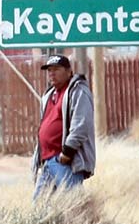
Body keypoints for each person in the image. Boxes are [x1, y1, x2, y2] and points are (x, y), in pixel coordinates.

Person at [31, 54, 96, 199]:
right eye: (49, 70)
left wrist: (67, 152)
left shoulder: (77, 91)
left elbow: (81, 125)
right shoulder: (49, 94)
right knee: (39, 208)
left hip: (65, 161)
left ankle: (87, 223)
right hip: (47, 161)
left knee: (73, 205)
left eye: (56, 69)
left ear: (68, 71)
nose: (52, 73)